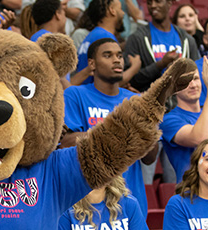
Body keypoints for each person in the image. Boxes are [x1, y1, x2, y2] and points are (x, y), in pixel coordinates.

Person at [61, 38, 153, 215]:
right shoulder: (75, 94)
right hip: (89, 203)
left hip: (131, 202)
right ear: (92, 64)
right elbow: (67, 142)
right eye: (108, 55)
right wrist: (119, 132)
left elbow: (149, 157)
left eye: (119, 55)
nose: (117, 60)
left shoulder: (135, 101)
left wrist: (146, 120)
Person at [123, 0, 200, 92]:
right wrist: (161, 64)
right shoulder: (137, 38)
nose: (153, 5)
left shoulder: (187, 40)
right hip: (149, 105)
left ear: (169, 3)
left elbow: (196, 76)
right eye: (149, 2)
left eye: (158, 1)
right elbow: (130, 80)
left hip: (180, 105)